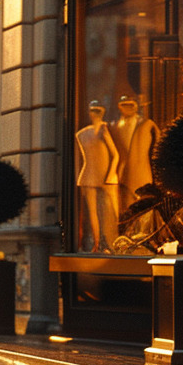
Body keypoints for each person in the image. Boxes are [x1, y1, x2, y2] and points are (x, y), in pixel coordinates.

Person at [75, 99, 120, 252]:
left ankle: (115, 242)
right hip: (89, 175)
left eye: (98, 111)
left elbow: (115, 155)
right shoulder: (82, 134)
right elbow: (82, 157)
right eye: (93, 111)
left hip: (107, 176)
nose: (95, 114)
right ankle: (96, 243)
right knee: (92, 211)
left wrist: (111, 174)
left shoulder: (104, 129)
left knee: (112, 210)